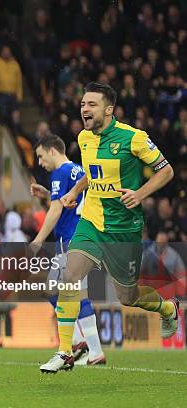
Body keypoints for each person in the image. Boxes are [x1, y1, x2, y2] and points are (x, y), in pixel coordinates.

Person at [40, 82, 177, 373]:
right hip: (91, 222)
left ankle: (168, 308)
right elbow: (91, 173)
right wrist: (76, 192)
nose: (84, 109)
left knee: (128, 298)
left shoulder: (133, 138)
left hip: (123, 229)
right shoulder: (84, 138)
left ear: (109, 109)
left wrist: (140, 194)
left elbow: (166, 170)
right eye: (82, 104)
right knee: (69, 276)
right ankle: (65, 351)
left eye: (91, 104)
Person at [30, 134, 105, 366]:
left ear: (53, 150)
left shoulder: (59, 173)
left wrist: (39, 240)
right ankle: (83, 345)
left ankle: (90, 349)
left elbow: (55, 211)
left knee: (71, 293)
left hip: (71, 240)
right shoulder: (78, 169)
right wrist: (48, 194)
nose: (40, 163)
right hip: (85, 236)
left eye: (41, 157)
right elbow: (67, 202)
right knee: (54, 291)